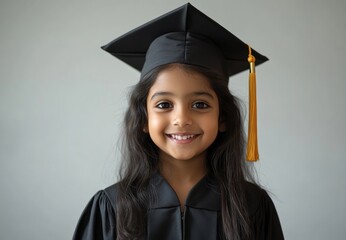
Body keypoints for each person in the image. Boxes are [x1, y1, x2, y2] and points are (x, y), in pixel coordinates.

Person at [73, 3, 284, 240]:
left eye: (200, 105)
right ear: (143, 118)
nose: (182, 119)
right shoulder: (112, 207)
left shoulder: (252, 206)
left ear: (223, 117)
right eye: (164, 105)